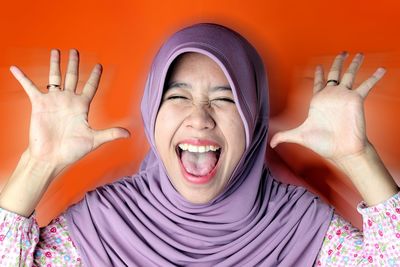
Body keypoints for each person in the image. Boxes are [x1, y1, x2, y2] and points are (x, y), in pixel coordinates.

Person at [0, 23, 399, 266]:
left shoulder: (297, 223)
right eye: (177, 96)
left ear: (252, 120)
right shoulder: (105, 221)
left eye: (225, 99)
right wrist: (39, 164)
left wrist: (358, 158)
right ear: (151, 111)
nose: (200, 118)